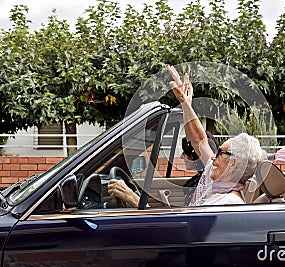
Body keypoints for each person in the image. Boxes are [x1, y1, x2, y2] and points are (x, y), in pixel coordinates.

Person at [108, 66, 265, 206]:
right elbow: (199, 141)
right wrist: (185, 103)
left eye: (219, 152)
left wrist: (134, 200)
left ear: (232, 164)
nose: (212, 158)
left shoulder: (228, 203)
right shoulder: (219, 180)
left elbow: (177, 232)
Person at [181, 132, 219, 205]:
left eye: (186, 153)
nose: (181, 156)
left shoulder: (209, 182)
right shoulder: (198, 180)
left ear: (196, 156)